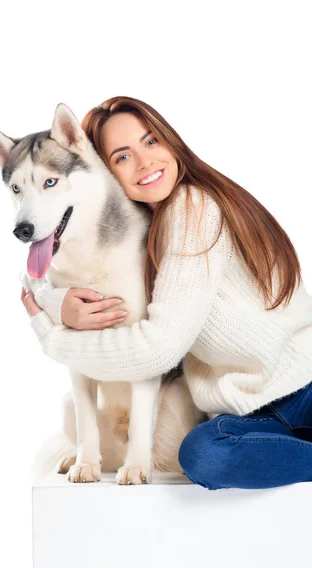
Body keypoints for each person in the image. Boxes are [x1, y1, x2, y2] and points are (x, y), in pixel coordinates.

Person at [21, 95, 312, 490]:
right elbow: (45, 262)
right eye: (122, 157)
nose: (144, 163)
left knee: (205, 456)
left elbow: (158, 352)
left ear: (171, 142)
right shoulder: (146, 222)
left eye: (151, 142)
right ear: (104, 171)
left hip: (301, 393)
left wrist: (53, 337)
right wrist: (56, 302)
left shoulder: (192, 207)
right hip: (252, 410)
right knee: (204, 453)